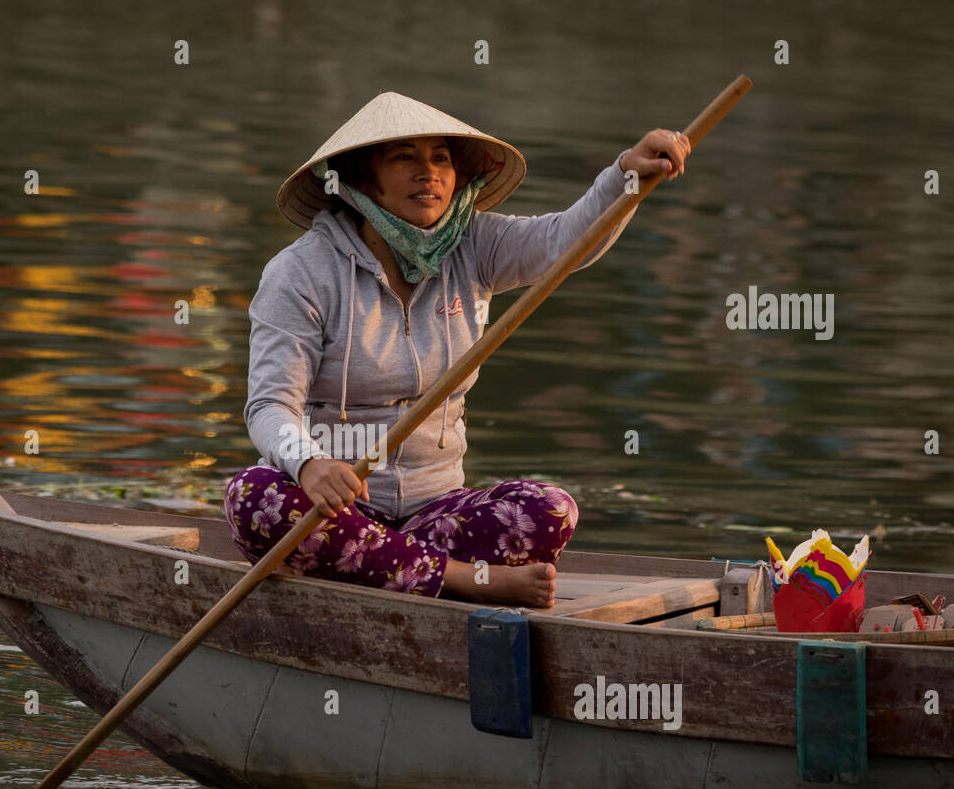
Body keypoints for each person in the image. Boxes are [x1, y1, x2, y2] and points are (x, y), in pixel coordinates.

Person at [225, 92, 689, 608]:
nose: (429, 174)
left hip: (434, 514)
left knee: (550, 509)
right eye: (404, 158)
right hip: (337, 511)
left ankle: (392, 568)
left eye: (440, 158)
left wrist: (628, 176)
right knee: (255, 498)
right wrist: (309, 463)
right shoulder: (300, 273)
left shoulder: (472, 243)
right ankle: (462, 580)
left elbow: (565, 243)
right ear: (358, 178)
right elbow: (270, 407)